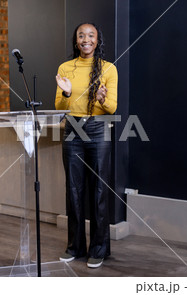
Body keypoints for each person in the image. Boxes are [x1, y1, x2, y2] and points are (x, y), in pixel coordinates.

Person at [55, 23, 118, 268]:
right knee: (74, 189)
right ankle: (75, 247)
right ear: (76, 40)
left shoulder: (109, 69)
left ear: (97, 40)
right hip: (73, 128)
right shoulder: (65, 68)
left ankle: (99, 249)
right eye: (81, 35)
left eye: (91, 35)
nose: (86, 39)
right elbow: (59, 108)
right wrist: (68, 94)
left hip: (98, 128)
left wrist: (102, 99)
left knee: (100, 190)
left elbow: (112, 108)